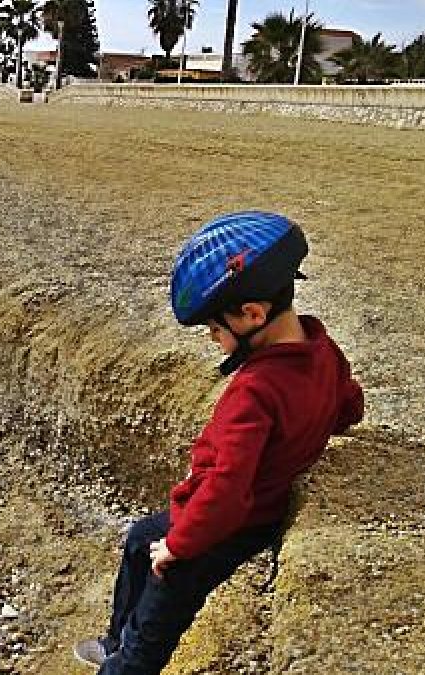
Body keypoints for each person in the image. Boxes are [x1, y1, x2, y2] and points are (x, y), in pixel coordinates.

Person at [74, 211, 365, 674]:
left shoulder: (254, 391)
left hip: (226, 524)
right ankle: (113, 640)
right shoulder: (322, 349)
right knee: (137, 539)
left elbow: (227, 489)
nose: (212, 340)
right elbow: (348, 404)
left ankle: (122, 658)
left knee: (148, 638)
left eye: (214, 329)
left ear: (252, 315)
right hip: (233, 512)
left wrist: (179, 545)